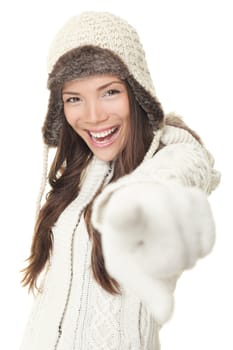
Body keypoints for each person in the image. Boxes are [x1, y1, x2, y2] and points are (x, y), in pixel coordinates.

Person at [20, 11, 220, 350]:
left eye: (109, 92)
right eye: (74, 98)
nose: (94, 115)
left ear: (137, 91)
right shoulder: (78, 171)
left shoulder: (170, 154)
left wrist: (142, 200)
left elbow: (185, 171)